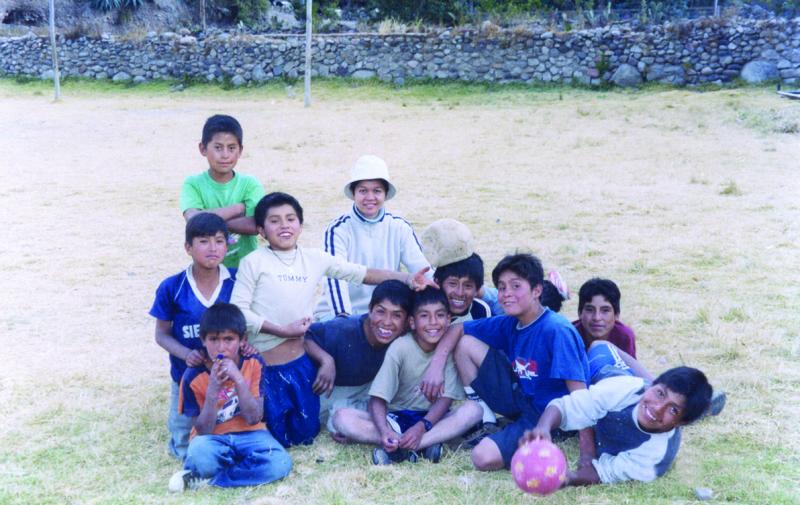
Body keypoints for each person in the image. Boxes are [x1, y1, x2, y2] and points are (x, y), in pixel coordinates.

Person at [231, 192, 437, 447]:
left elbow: (361, 273)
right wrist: (281, 330)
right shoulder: (253, 262)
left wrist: (406, 278)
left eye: (290, 219)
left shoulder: (314, 259)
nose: (284, 225)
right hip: (264, 366)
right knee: (271, 435)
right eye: (274, 221)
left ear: (300, 225)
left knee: (305, 435)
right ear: (261, 230)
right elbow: (238, 311)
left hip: (300, 364)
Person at [420, 253, 593, 472]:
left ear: (537, 291)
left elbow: (580, 396)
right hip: (521, 399)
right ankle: (486, 420)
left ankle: (549, 437)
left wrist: (587, 455)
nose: (506, 294)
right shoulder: (511, 322)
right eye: (501, 288)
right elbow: (457, 328)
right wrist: (436, 366)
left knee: (482, 457)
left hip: (549, 416)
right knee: (465, 343)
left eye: (515, 286)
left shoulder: (556, 330)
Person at [521, 339, 713, 486]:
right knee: (598, 345)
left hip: (630, 393)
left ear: (681, 423)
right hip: (608, 375)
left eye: (673, 409)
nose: (657, 408)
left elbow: (599, 473)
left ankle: (690, 403)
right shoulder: (621, 387)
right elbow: (566, 406)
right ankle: (659, 386)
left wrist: (564, 478)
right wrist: (543, 428)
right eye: (660, 393)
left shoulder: (654, 458)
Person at [331, 288, 483, 464]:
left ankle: (408, 447)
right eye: (424, 316)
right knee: (341, 418)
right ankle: (410, 443)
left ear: (448, 319)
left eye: (440, 315)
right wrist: (384, 431)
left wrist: (422, 427)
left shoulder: (447, 349)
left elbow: (445, 400)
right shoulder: (400, 347)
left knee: (474, 410)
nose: (433, 322)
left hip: (433, 421)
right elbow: (377, 399)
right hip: (395, 419)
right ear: (412, 322)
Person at [168, 303, 291, 492]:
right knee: (199, 453)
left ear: (243, 340)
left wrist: (239, 380)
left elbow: (254, 418)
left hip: (251, 434)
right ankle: (241, 467)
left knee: (280, 463)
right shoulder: (193, 376)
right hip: (212, 439)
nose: (221, 347)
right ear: (203, 340)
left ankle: (213, 481)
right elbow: (203, 430)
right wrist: (213, 390)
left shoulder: (253, 363)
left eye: (229, 339)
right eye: (213, 339)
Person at [149, 213, 237, 460]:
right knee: (184, 447)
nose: (213, 248)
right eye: (204, 241)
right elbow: (161, 334)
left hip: (228, 376)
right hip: (185, 376)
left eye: (219, 241)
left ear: (227, 246)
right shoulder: (172, 286)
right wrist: (186, 354)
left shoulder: (237, 280)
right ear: (188, 247)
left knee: (229, 432)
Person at [314, 155, 430, 319]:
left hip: (386, 313)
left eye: (377, 191)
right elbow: (335, 278)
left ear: (385, 194)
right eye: (363, 191)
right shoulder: (338, 229)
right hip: (341, 314)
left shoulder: (400, 227)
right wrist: (343, 319)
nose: (370, 197)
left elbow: (422, 270)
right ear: (353, 193)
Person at [304, 280, 413, 437]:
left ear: (407, 321)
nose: (387, 322)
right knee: (332, 421)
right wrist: (326, 360)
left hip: (364, 388)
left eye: (397, 315)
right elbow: (304, 335)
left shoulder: (403, 336)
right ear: (370, 310)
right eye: (381, 312)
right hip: (326, 391)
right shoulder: (345, 330)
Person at [180, 114, 266, 268]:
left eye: (231, 148)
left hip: (246, 270)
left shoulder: (250, 184)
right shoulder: (193, 184)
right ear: (203, 148)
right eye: (218, 147)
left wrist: (208, 223)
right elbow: (193, 219)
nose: (225, 155)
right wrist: (238, 209)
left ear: (240, 150)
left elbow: (256, 226)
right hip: (208, 271)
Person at [573, 278, 637, 357]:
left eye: (605, 310)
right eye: (590, 310)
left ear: (616, 314)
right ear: (580, 313)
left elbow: (629, 364)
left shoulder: (624, 336)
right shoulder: (569, 336)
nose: (597, 318)